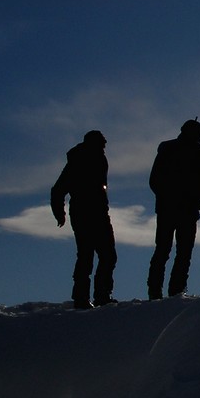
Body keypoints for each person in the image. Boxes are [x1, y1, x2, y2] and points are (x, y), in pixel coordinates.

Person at [147, 119, 200, 299]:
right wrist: (198, 202)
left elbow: (154, 180)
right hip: (184, 208)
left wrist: (164, 197)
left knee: (165, 250)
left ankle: (158, 290)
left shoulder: (168, 148)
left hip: (171, 208)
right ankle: (174, 290)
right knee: (180, 251)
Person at [51, 130, 118, 309]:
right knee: (88, 255)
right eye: (102, 142)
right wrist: (60, 213)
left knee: (106, 255)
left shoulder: (98, 159)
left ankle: (101, 295)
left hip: (99, 213)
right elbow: (58, 189)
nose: (105, 145)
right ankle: (83, 297)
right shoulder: (79, 161)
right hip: (84, 214)